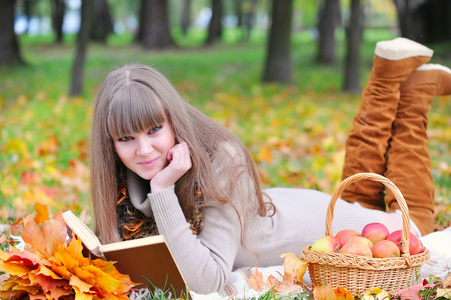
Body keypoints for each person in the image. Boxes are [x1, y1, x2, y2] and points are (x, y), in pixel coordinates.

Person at [90, 37, 451, 295]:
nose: (145, 149)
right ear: (110, 144)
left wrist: (164, 191)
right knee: (360, 190)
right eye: (126, 139)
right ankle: (390, 77)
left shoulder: (221, 159)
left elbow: (207, 279)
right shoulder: (125, 181)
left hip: (314, 222)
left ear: (174, 121)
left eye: (155, 129)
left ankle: (415, 96)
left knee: (414, 221)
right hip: (288, 205)